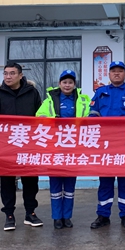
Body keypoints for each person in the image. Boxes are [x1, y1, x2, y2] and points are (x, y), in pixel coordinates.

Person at [89, 60, 125, 229]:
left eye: (120, 71)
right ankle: (103, 215)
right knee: (105, 180)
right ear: (109, 74)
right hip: (105, 144)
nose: (117, 73)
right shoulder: (100, 92)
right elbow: (92, 116)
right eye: (114, 71)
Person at [0, 62, 43, 231]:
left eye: (12, 73)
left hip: (29, 144)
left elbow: (40, 115)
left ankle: (30, 213)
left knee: (31, 180)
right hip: (6, 145)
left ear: (20, 75)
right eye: (5, 73)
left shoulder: (32, 93)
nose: (8, 77)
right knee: (7, 181)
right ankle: (9, 215)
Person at [36, 69, 91, 229]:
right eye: (64, 82)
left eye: (70, 82)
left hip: (74, 148)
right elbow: (39, 116)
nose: (67, 85)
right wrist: (50, 119)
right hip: (54, 148)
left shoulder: (83, 100)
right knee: (55, 185)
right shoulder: (50, 100)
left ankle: (67, 217)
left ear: (75, 84)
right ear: (59, 84)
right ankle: (56, 218)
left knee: (69, 185)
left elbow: (90, 118)